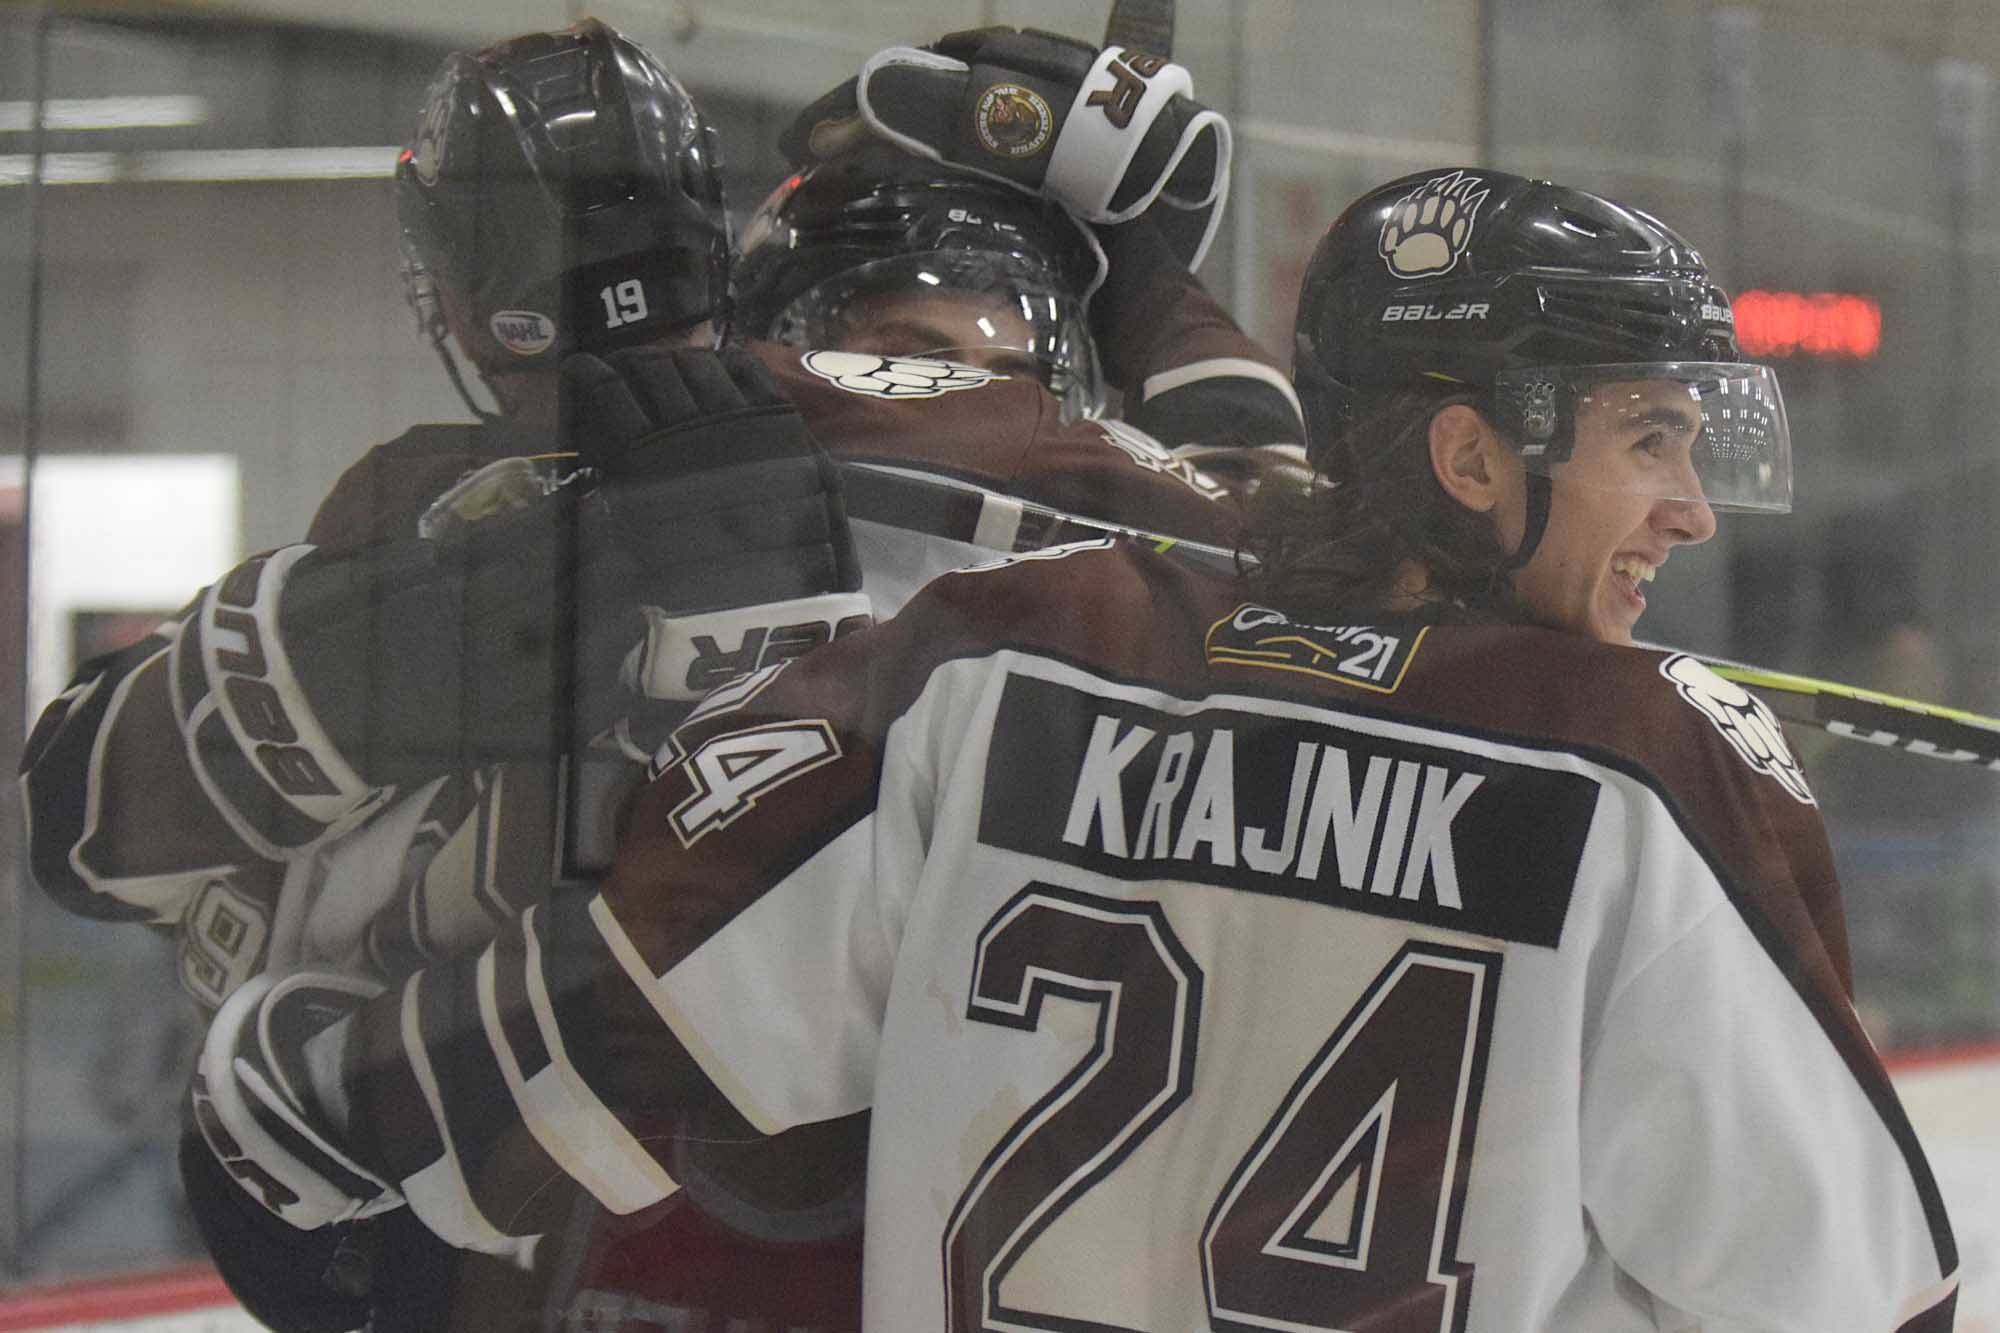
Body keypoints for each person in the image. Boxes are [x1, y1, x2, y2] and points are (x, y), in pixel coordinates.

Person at [185, 166, 1960, 1330]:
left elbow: (615, 1049)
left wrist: (303, 1089)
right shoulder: (1646, 771)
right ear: (1476, 458)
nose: (1693, 509)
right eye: (1654, 439)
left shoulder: (1006, 660)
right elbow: (1853, 1299)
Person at [21, 20, 1298, 1331]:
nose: (940, 382)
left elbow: (94, 830)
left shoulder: (494, 488)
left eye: (987, 360)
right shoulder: (1188, 566)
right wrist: (1152, 281)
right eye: (891, 340)